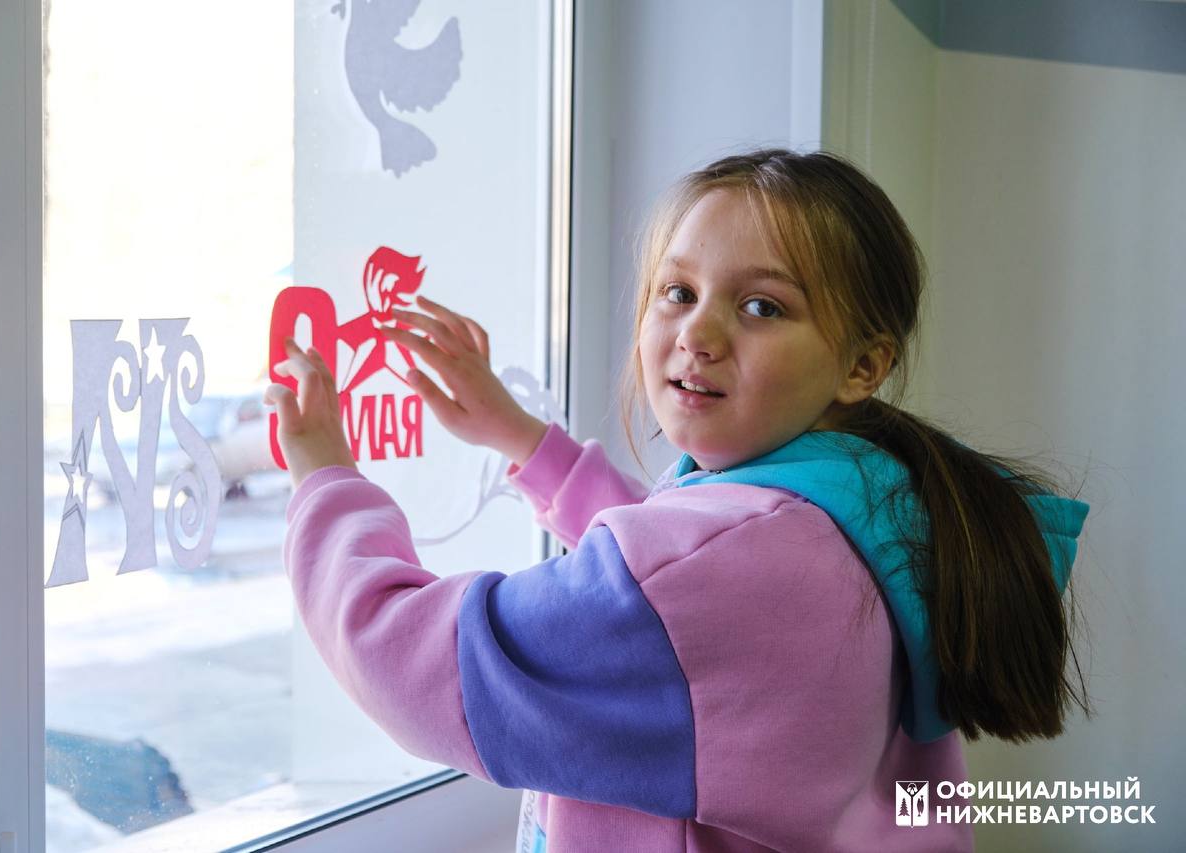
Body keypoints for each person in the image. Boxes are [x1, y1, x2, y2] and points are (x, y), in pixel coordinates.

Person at [263, 148, 1091, 852]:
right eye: (678, 292)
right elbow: (677, 588)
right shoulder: (866, 502)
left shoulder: (741, 562)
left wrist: (326, 477)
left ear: (862, 365)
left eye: (761, 306)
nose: (698, 333)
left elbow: (412, 661)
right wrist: (523, 439)